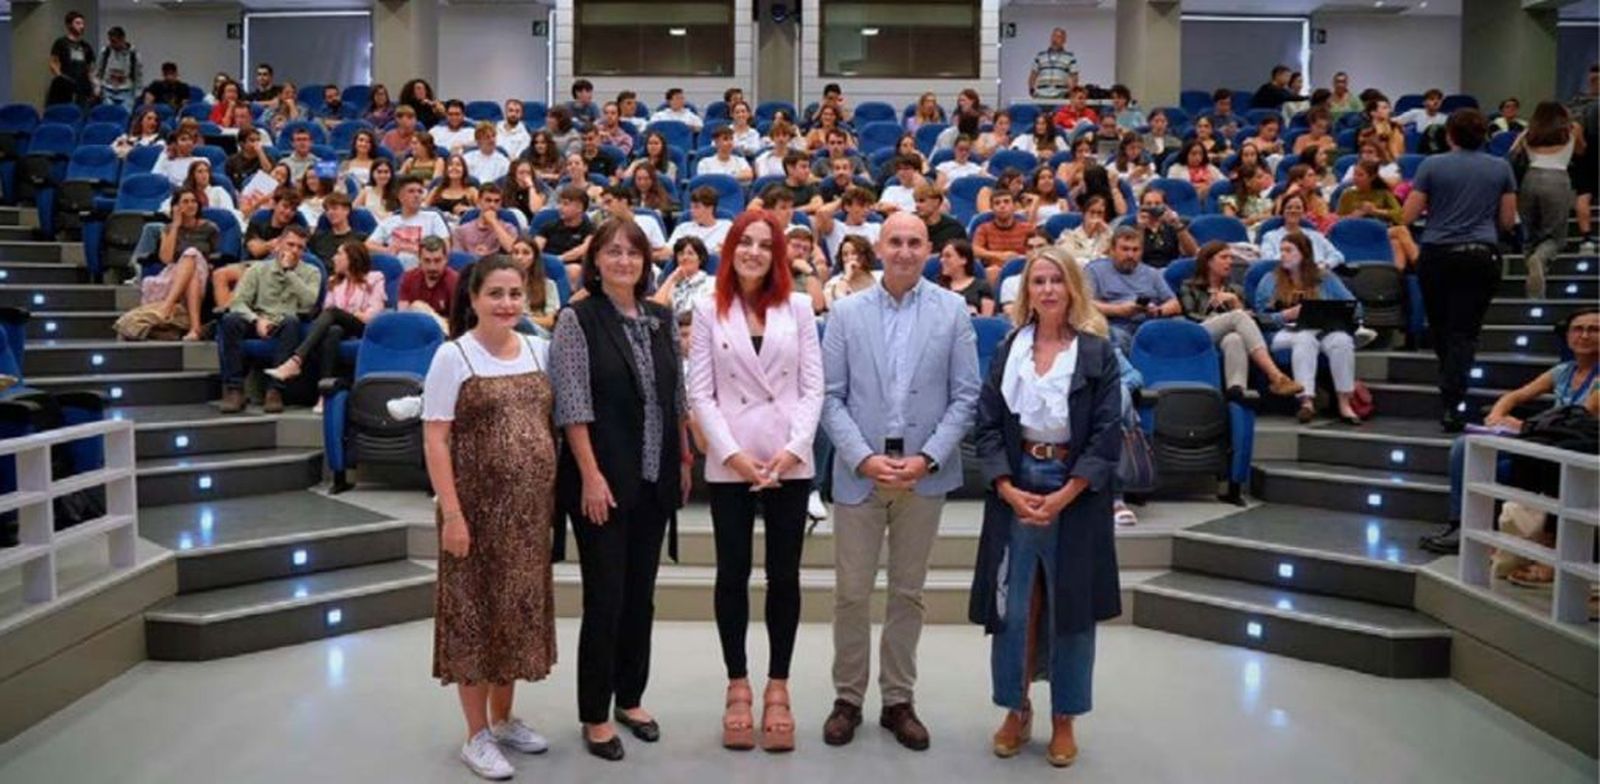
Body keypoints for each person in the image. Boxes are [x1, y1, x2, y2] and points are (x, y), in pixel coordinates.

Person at [819, 212, 979, 751]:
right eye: (895, 242)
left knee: (908, 594)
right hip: (860, 472)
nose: (905, 251)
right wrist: (862, 457)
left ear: (929, 248)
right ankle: (847, 697)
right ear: (878, 247)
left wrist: (929, 457)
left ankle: (897, 700)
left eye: (914, 242)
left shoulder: (952, 310)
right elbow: (830, 397)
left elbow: (966, 396)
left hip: (922, 476)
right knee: (851, 594)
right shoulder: (845, 311)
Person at [970, 245, 1121, 768]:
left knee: (1070, 607)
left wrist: (1066, 493)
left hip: (1074, 491)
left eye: (1057, 280)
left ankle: (1064, 717)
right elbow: (988, 425)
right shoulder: (1008, 349)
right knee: (1014, 605)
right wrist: (1008, 488)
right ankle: (1016, 709)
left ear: (1072, 287)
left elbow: (1106, 434)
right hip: (1016, 485)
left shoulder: (1098, 353)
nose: (1048, 290)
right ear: (1026, 292)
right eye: (1039, 281)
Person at [551, 219, 691, 762]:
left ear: (645, 262)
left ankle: (630, 698)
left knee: (640, 596)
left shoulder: (660, 317)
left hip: (655, 477)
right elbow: (572, 405)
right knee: (605, 597)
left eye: (633, 253)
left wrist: (683, 456)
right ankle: (595, 713)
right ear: (596, 261)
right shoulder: (577, 319)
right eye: (612, 252)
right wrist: (589, 475)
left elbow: (676, 396)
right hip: (603, 480)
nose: (624, 262)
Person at [684, 211, 823, 754]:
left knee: (784, 576)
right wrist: (735, 456)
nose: (755, 252)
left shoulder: (800, 307)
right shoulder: (707, 307)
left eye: (766, 245)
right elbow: (701, 393)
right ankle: (737, 684)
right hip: (731, 459)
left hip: (789, 458)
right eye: (746, 242)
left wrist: (793, 450)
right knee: (732, 573)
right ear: (731, 248)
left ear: (778, 254)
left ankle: (778, 687)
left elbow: (813, 388)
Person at [421, 254, 558, 781]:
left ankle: (503, 719)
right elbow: (435, 439)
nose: (506, 303)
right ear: (474, 299)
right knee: (474, 618)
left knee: (514, 616)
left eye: (515, 294)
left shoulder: (539, 350)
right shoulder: (453, 356)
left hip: (528, 518)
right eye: (495, 294)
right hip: (473, 515)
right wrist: (453, 514)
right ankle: (475, 734)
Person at [1426, 309, 1600, 556]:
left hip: (1577, 447)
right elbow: (1515, 396)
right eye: (1578, 329)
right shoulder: (1564, 370)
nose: (1584, 335)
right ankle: (1461, 524)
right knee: (1465, 446)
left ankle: (1500, 533)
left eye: (1594, 330)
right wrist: (1496, 416)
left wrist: (1522, 427)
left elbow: (1580, 419)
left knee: (1499, 470)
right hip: (1543, 440)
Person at [1402, 109, 1518, 433]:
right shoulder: (1500, 167)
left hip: (1438, 253)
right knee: (1465, 331)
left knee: (1441, 328)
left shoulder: (1431, 165)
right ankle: (1453, 401)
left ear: (1449, 134)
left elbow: (1408, 215)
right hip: (1480, 254)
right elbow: (1508, 221)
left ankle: (1449, 386)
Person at [1253, 232, 1363, 424]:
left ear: (1304, 253)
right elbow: (1260, 319)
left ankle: (1344, 403)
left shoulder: (1325, 278)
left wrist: (1329, 312)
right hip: (1282, 332)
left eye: (1289, 250)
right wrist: (1286, 315)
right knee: (1304, 337)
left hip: (1322, 329)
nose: (1283, 255)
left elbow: (1356, 307)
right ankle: (1306, 401)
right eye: (1281, 250)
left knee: (1342, 341)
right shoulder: (1270, 280)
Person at [1179, 241, 1304, 398]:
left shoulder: (1235, 290)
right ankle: (1275, 375)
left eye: (1231, 258)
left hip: (1225, 335)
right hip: (1198, 332)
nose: (1230, 262)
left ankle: (1237, 392)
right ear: (1208, 262)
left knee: (1235, 339)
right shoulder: (1189, 286)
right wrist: (1223, 317)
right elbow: (1190, 315)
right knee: (1238, 316)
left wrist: (1236, 303)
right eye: (1224, 257)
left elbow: (1251, 321)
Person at [217, 224, 319, 414]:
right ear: (279, 244)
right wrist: (256, 320)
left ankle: (275, 390)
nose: (294, 250)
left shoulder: (312, 272)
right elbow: (238, 302)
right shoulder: (257, 269)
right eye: (290, 244)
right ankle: (235, 389)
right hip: (258, 319)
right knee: (230, 320)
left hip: (285, 322)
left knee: (292, 322)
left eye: (300, 247)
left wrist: (289, 273)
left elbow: (309, 303)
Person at [265, 241, 386, 396]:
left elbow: (374, 313)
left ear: (352, 258)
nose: (334, 258)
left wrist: (350, 314)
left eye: (339, 254)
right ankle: (324, 395)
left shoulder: (375, 278)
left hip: (363, 328)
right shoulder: (333, 282)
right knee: (333, 331)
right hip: (341, 328)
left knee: (333, 313)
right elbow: (326, 311)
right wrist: (348, 313)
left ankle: (296, 360)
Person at [1514, 101, 1584, 299]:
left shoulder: (1529, 133)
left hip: (1531, 178)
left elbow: (1513, 153)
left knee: (1529, 235)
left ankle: (1535, 291)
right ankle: (1540, 258)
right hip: (1558, 179)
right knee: (1555, 237)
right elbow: (1581, 150)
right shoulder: (1571, 130)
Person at [1084, 227, 1180, 352]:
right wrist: (1118, 310)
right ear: (1112, 250)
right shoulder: (1095, 270)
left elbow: (1175, 304)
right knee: (1116, 337)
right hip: (1115, 325)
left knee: (1180, 326)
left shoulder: (1151, 273)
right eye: (1125, 249)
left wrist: (1157, 311)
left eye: (1135, 250)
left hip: (1148, 324)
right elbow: (1085, 304)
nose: (1130, 255)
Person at [1337, 160, 1417, 271]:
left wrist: (1376, 211)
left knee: (1396, 243)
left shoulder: (1383, 193)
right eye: (1354, 174)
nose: (1355, 178)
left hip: (1380, 231)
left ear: (1372, 177)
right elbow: (1337, 221)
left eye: (1360, 175)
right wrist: (1357, 214)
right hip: (1359, 233)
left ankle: (1397, 274)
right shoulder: (1347, 195)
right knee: (1401, 230)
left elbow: (1400, 215)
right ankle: (1420, 264)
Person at [368, 176, 452, 270]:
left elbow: (446, 247)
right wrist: (387, 250)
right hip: (395, 270)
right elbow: (368, 245)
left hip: (425, 269)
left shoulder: (433, 217)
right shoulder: (389, 221)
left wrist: (407, 248)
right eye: (411, 191)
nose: (416, 195)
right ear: (400, 197)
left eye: (420, 192)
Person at [1256, 193, 1344, 268]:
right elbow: (1267, 260)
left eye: (1298, 208)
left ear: (1304, 212)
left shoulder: (1316, 236)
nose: (1293, 211)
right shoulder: (1270, 236)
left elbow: (1337, 255)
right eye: (1289, 207)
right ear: (1282, 211)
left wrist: (1325, 265)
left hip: (1317, 276)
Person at [972, 191, 1035, 286]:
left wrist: (1021, 257)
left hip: (1022, 268)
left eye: (1006, 202)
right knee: (992, 272)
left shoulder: (1027, 228)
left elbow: (1039, 247)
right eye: (997, 203)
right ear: (992, 208)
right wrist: (999, 255)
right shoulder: (984, 228)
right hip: (996, 270)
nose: (1002, 206)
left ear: (1014, 206)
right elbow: (975, 250)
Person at [399, 237, 459, 328]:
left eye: (437, 260)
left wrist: (428, 313)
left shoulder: (455, 281)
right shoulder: (408, 278)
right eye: (427, 261)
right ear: (419, 259)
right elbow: (402, 315)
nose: (432, 267)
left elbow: (458, 323)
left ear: (446, 259)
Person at [651, 236, 714, 318]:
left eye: (690, 253)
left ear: (700, 258)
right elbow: (654, 309)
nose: (685, 257)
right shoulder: (670, 285)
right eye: (681, 254)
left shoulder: (711, 283)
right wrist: (672, 279)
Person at [1136, 189, 1198, 268]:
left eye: (1157, 203)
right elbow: (1134, 255)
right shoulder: (1133, 225)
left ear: (1165, 206)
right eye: (1148, 204)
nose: (1153, 207)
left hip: (1171, 268)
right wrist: (1141, 228)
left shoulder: (1173, 224)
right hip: (1143, 268)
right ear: (1141, 206)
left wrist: (1177, 225)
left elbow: (1192, 253)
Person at [453, 185, 517, 258]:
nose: (492, 205)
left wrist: (493, 222)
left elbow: (513, 250)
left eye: (496, 201)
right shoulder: (462, 230)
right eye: (488, 200)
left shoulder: (508, 228)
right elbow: (457, 258)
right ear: (479, 202)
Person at [49, 12, 96, 107]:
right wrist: (60, 77)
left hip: (83, 87)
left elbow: (90, 67)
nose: (82, 26)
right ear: (69, 25)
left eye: (83, 24)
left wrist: (94, 83)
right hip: (65, 87)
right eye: (78, 23)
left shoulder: (86, 46)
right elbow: (53, 62)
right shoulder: (61, 43)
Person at [1055, 193, 1114, 267]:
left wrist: (1107, 230)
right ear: (1084, 214)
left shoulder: (1108, 236)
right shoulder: (1068, 235)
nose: (1095, 216)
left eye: (1100, 213)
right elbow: (1066, 260)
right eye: (1092, 212)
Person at [938, 239, 993, 316]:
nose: (942, 260)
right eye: (941, 256)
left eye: (948, 256)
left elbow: (987, 319)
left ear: (963, 260)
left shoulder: (982, 286)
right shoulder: (938, 288)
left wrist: (974, 315)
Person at [822, 235, 879, 308]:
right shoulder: (833, 283)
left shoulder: (879, 277)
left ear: (864, 256)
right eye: (845, 255)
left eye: (854, 253)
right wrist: (847, 276)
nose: (849, 258)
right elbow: (835, 305)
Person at [95, 27, 140, 109]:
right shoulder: (106, 51)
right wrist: (97, 87)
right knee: (108, 114)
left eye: (114, 41)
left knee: (124, 114)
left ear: (122, 39)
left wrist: (138, 93)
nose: (112, 44)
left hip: (126, 91)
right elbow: (98, 71)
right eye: (110, 41)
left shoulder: (133, 53)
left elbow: (138, 74)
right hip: (108, 90)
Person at [914, 183, 966, 252]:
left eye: (922, 201)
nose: (917, 206)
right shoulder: (910, 224)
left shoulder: (954, 228)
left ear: (936, 202)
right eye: (916, 201)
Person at [1029, 27, 1078, 100]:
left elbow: (1074, 78)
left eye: (1058, 37)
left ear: (1064, 40)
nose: (1055, 39)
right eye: (1053, 36)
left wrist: (1070, 93)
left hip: (1061, 95)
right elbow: (1033, 75)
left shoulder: (1070, 57)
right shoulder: (1040, 56)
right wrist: (1031, 89)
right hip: (1041, 95)